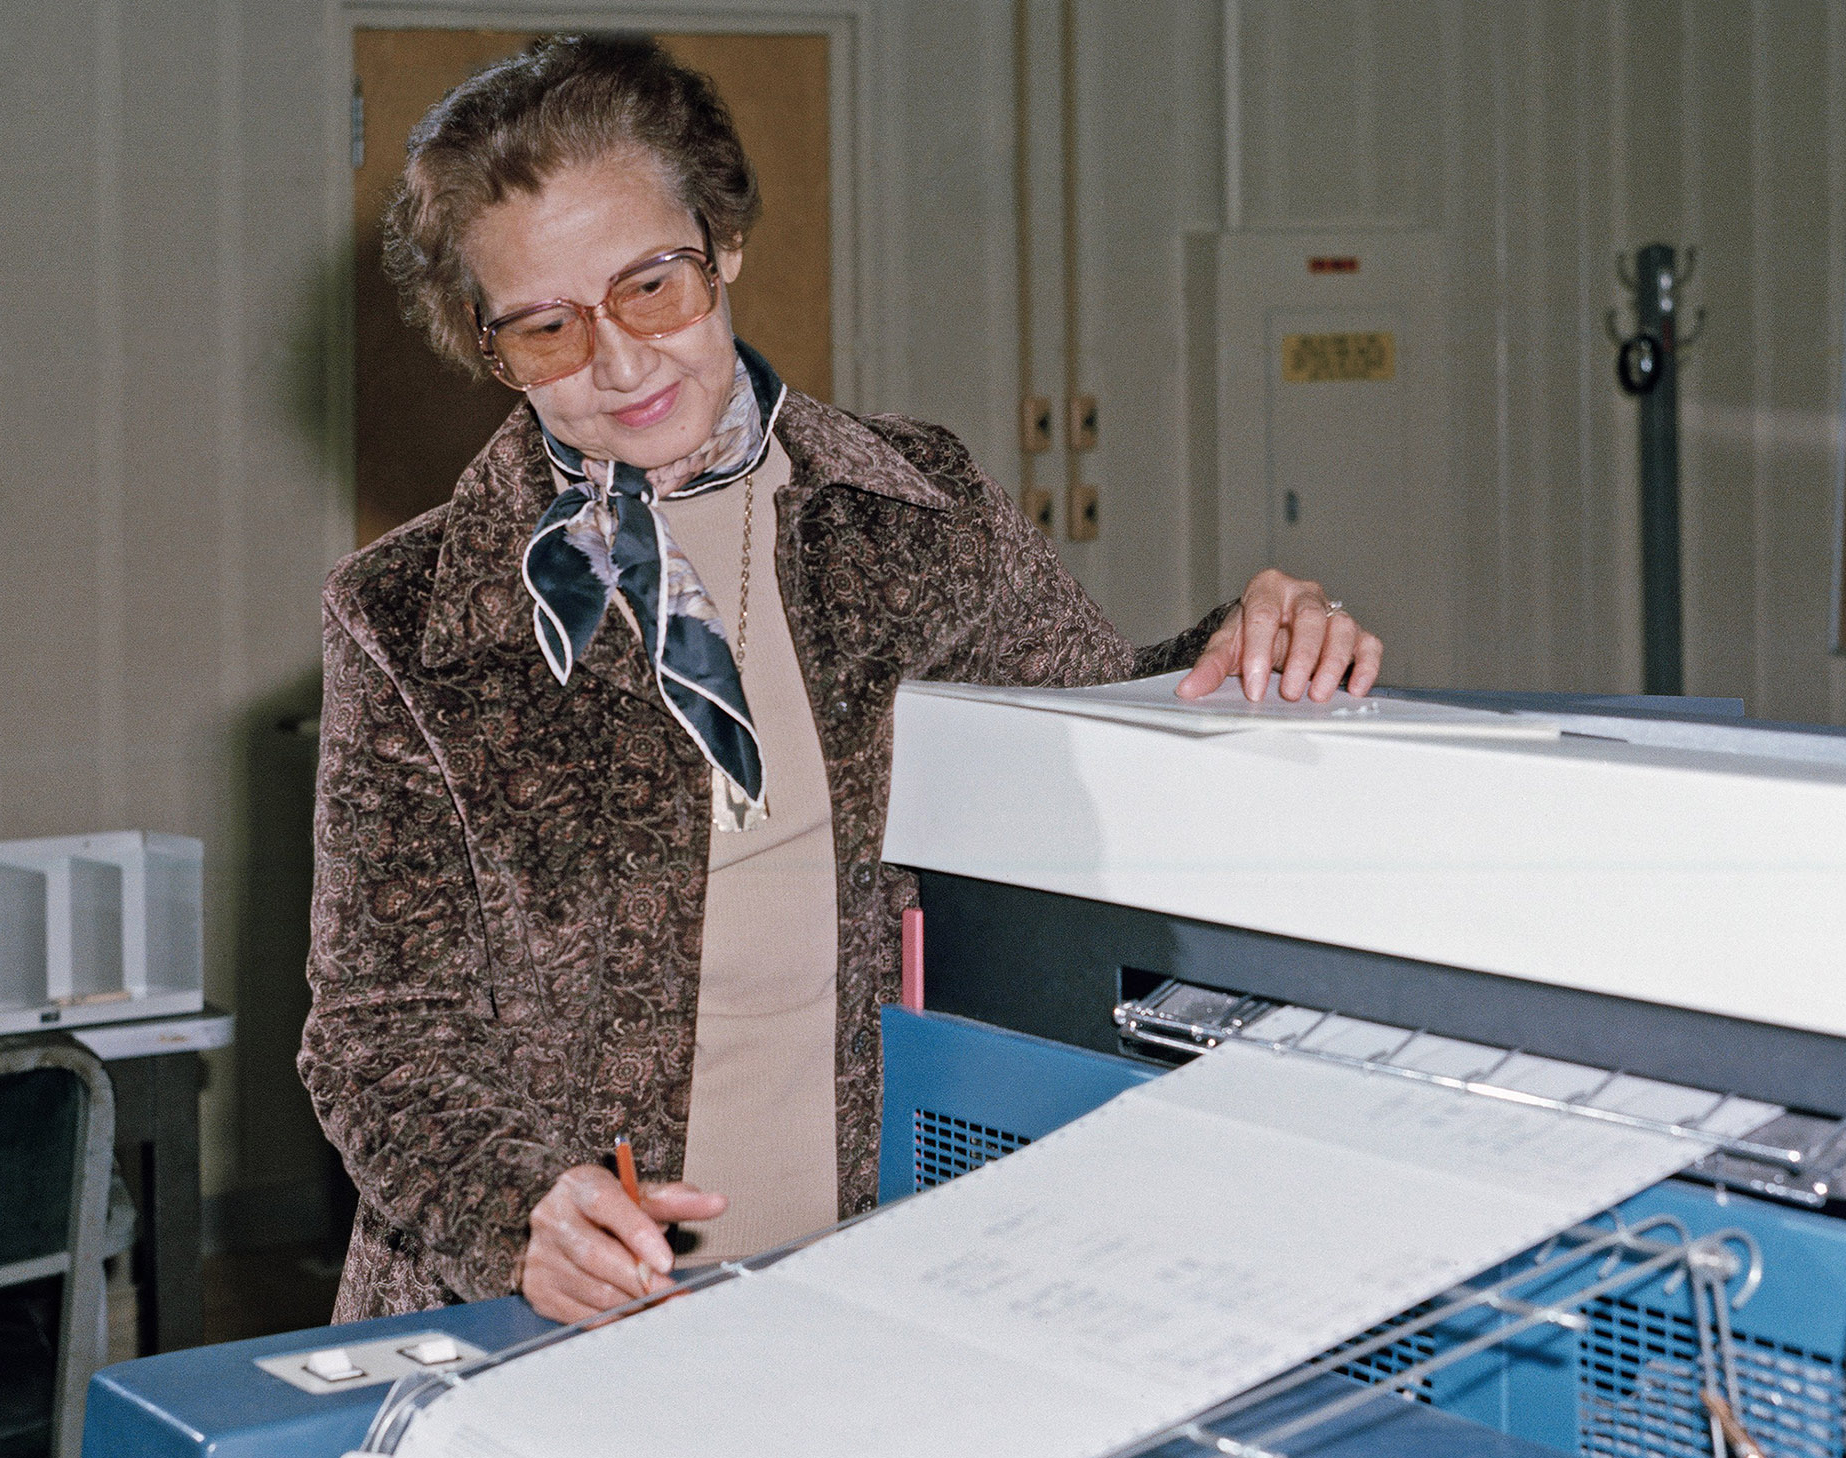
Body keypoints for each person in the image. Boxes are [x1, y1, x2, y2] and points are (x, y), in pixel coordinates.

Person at [301, 35, 1383, 1325]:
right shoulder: (410, 619)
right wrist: (517, 1212)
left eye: (653, 285)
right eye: (547, 328)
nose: (622, 362)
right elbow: (377, 1029)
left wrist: (1249, 642)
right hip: (544, 1324)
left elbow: (1083, 726)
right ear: (488, 348)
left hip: (863, 1291)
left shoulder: (912, 515)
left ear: (724, 246)